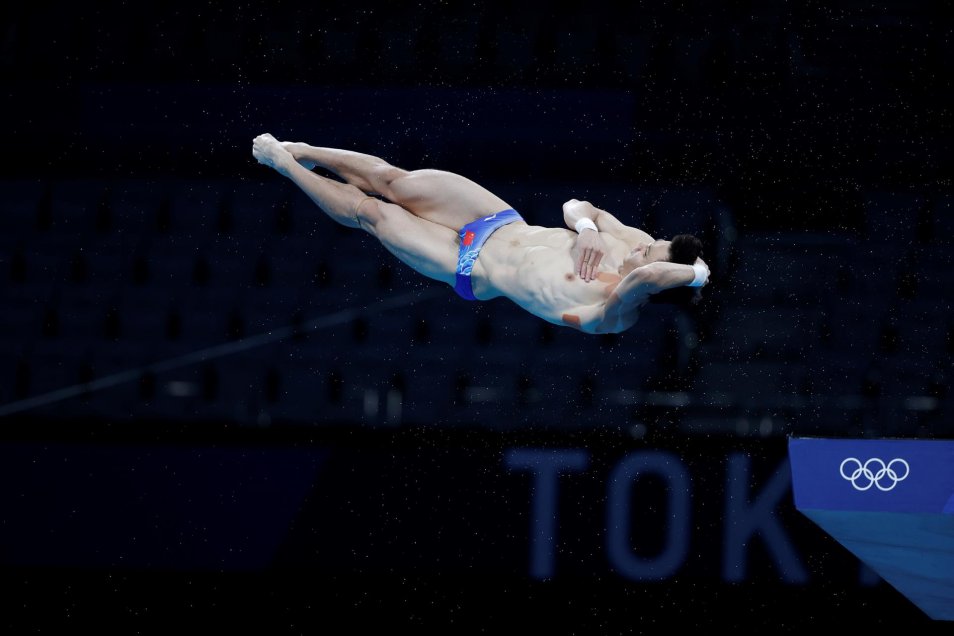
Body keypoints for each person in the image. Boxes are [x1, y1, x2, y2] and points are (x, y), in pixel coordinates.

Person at [251, 133, 710, 335]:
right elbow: (575, 205)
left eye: (652, 250)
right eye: (654, 241)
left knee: (373, 213)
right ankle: (307, 151)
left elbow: (647, 279)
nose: (645, 243)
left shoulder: (617, 311)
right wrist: (588, 227)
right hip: (499, 220)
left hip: (468, 265)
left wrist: (697, 276)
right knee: (395, 181)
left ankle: (285, 165)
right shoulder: (628, 241)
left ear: (657, 272)